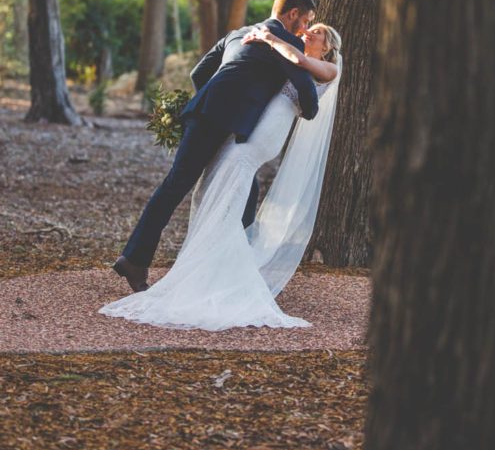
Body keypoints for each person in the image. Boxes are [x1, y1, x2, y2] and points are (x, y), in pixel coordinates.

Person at [100, 23, 342, 330]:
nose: (309, 31)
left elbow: (300, 63)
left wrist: (268, 37)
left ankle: (222, 268)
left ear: (328, 46)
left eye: (317, 31)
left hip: (267, 133)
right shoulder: (285, 50)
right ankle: (220, 262)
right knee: (225, 183)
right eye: (308, 26)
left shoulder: (324, 67)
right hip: (247, 127)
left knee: (232, 174)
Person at [112, 0, 319, 294]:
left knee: (230, 188)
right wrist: (307, 109)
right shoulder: (285, 42)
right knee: (194, 186)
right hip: (229, 123)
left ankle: (230, 267)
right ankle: (137, 260)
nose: (305, 30)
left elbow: (199, 73)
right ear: (293, 15)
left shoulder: (238, 33)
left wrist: (218, 96)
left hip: (204, 112)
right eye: (306, 21)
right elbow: (307, 93)